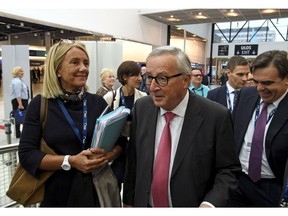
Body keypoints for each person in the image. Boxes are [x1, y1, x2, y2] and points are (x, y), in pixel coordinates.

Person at [123, 46, 241, 207]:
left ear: (186, 80)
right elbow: (134, 160)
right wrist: (129, 202)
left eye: (163, 78)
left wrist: (210, 204)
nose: (152, 87)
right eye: (149, 77)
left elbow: (228, 171)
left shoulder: (216, 116)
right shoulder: (142, 108)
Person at [18, 39, 124, 207]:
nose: (83, 68)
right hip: (58, 194)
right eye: (75, 62)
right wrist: (70, 161)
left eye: (86, 63)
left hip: (97, 192)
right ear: (57, 69)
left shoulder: (97, 102)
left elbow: (121, 142)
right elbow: (27, 155)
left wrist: (107, 156)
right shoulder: (40, 105)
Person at [230, 50, 288, 207]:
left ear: (286, 79)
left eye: (268, 83)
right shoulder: (245, 95)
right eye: (256, 81)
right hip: (237, 183)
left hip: (273, 188)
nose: (260, 88)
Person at [103, 60, 147, 192]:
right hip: (116, 147)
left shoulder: (143, 97)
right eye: (136, 75)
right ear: (124, 77)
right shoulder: (110, 97)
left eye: (140, 75)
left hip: (135, 146)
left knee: (132, 182)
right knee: (115, 182)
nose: (140, 79)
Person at [9, 66, 29, 138]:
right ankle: (20, 133)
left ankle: (19, 133)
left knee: (19, 116)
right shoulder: (17, 81)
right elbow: (18, 93)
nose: (22, 72)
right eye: (20, 71)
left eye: (22, 71)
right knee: (20, 116)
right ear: (16, 72)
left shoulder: (18, 80)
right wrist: (20, 104)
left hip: (21, 100)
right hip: (19, 101)